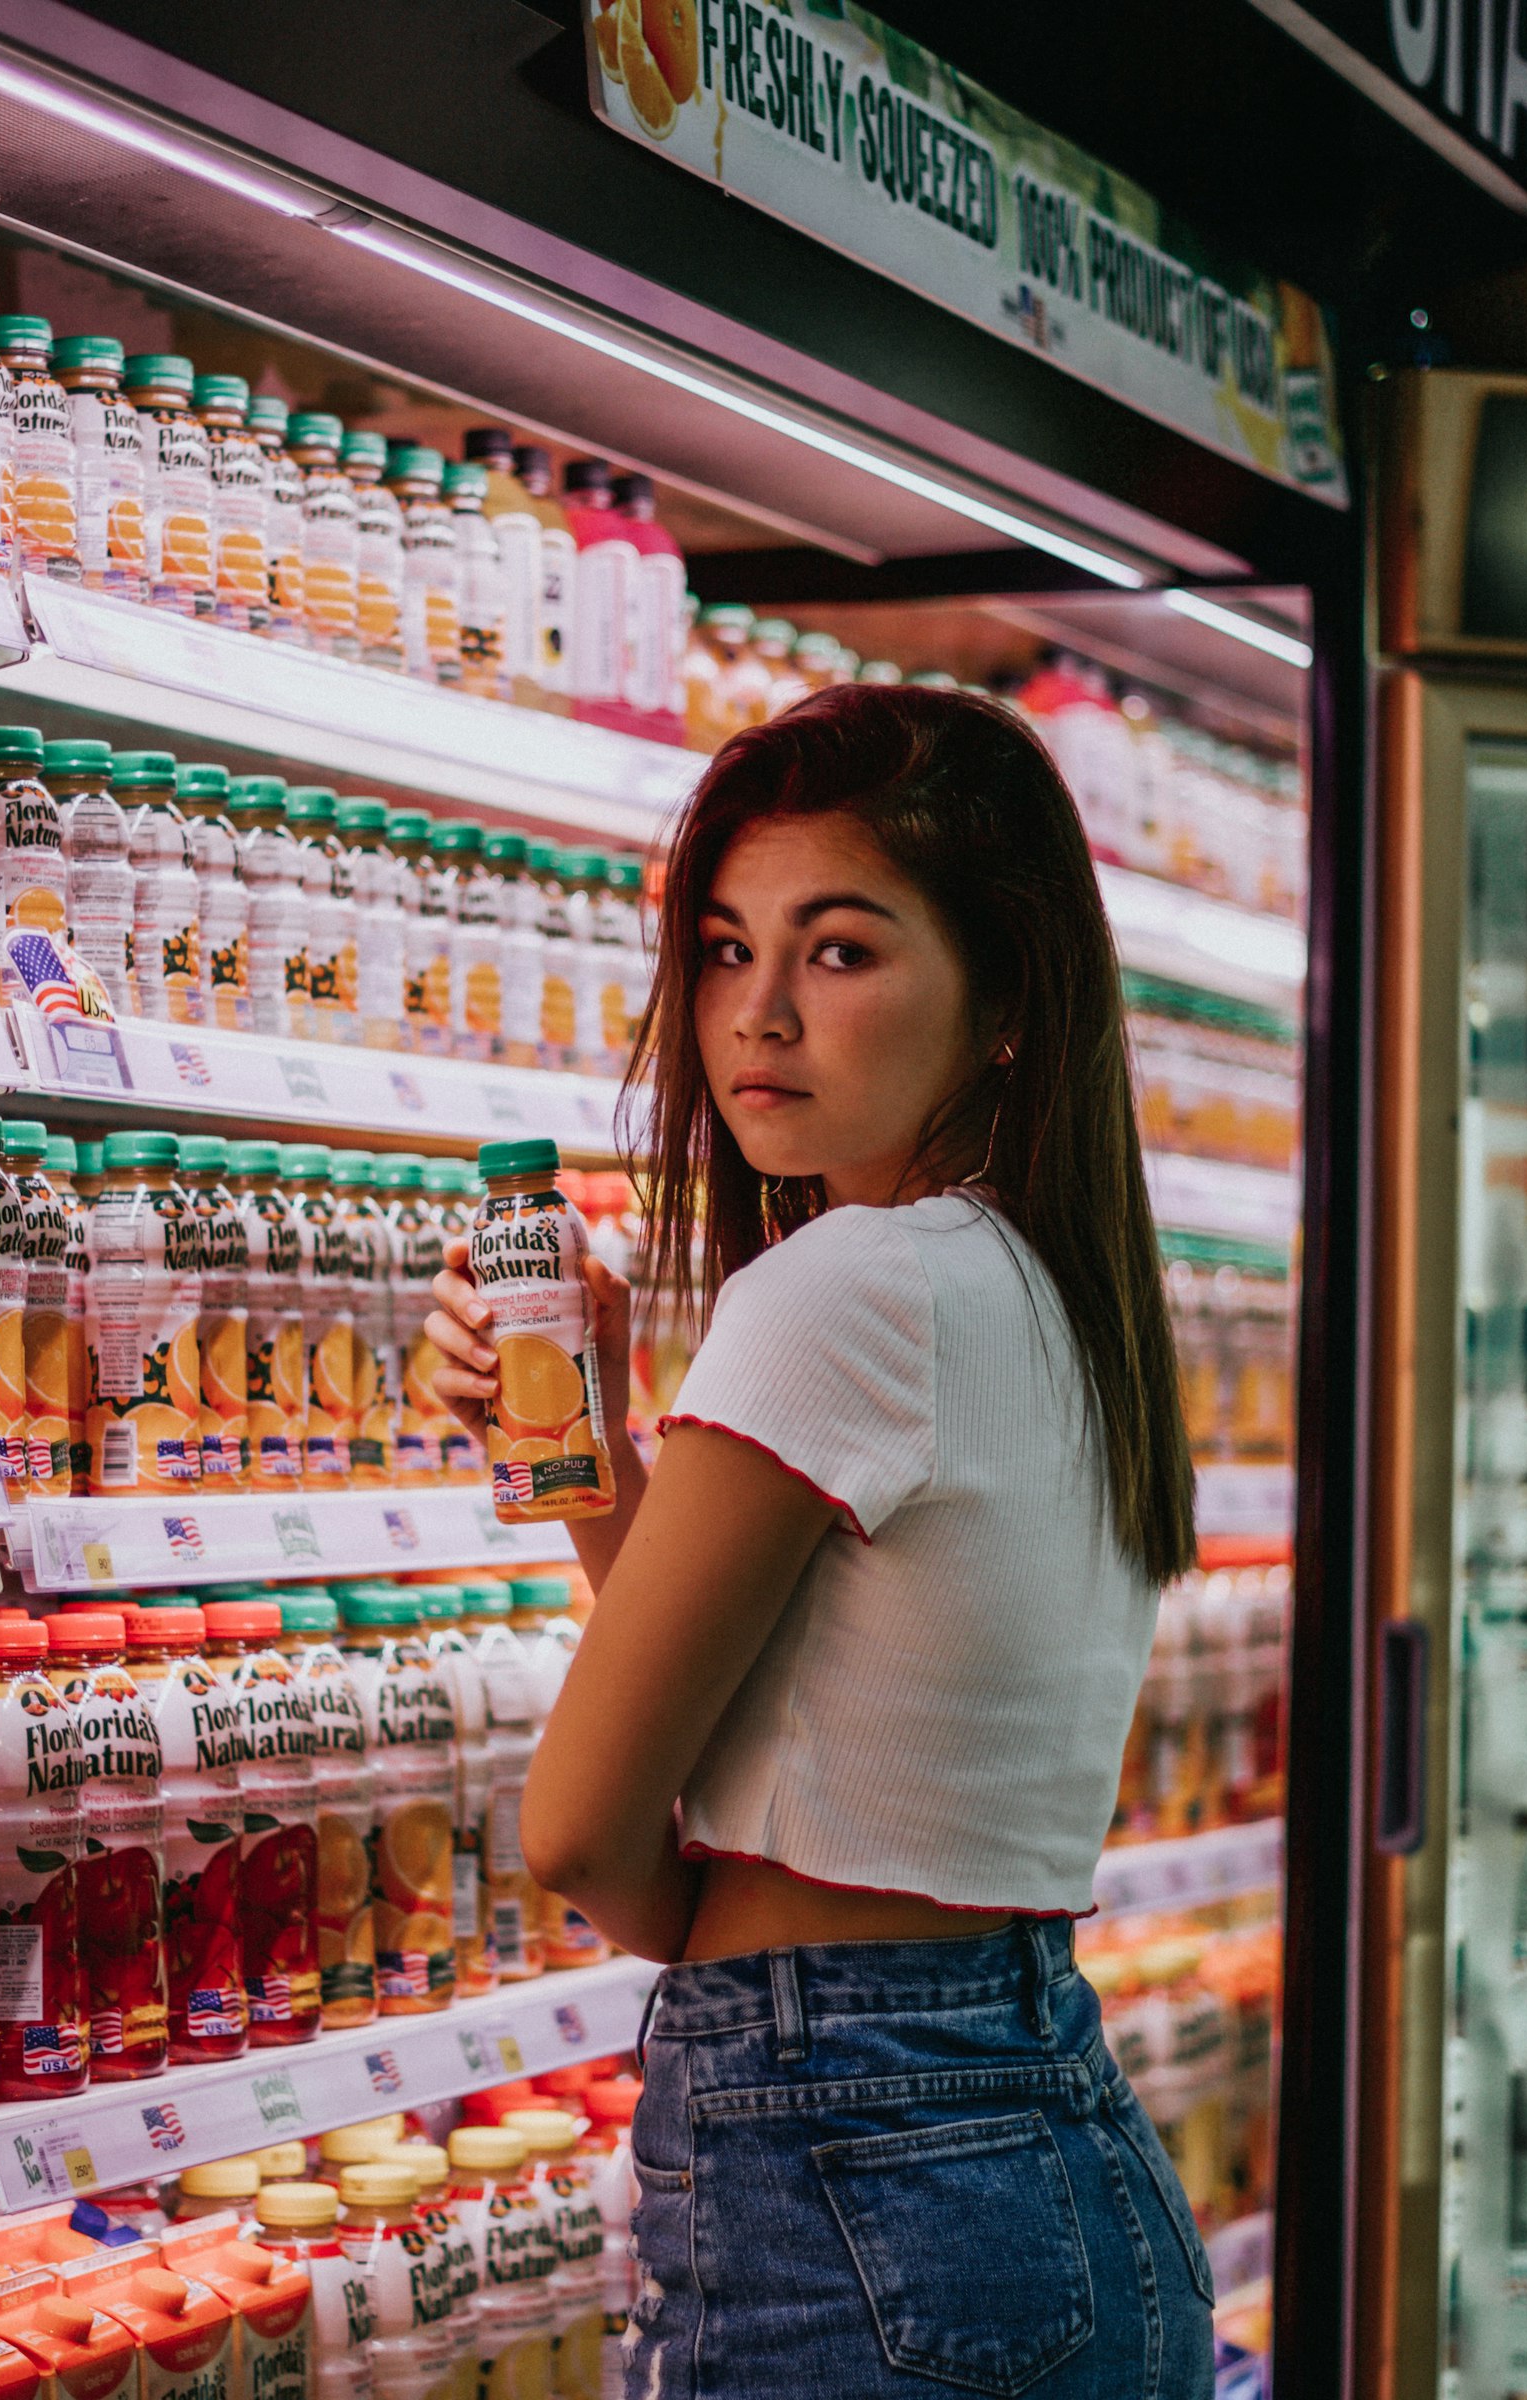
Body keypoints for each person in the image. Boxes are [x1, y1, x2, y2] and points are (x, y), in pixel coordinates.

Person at [425, 684, 1214, 2396]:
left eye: (839, 952)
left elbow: (583, 1833)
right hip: (1047, 2132)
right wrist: (589, 1438)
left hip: (850, 2159)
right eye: (722, 950)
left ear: (1007, 1000)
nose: (756, 1015)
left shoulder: (841, 1288)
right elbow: (781, 1741)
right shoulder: (1057, 1290)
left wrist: (701, 1928)